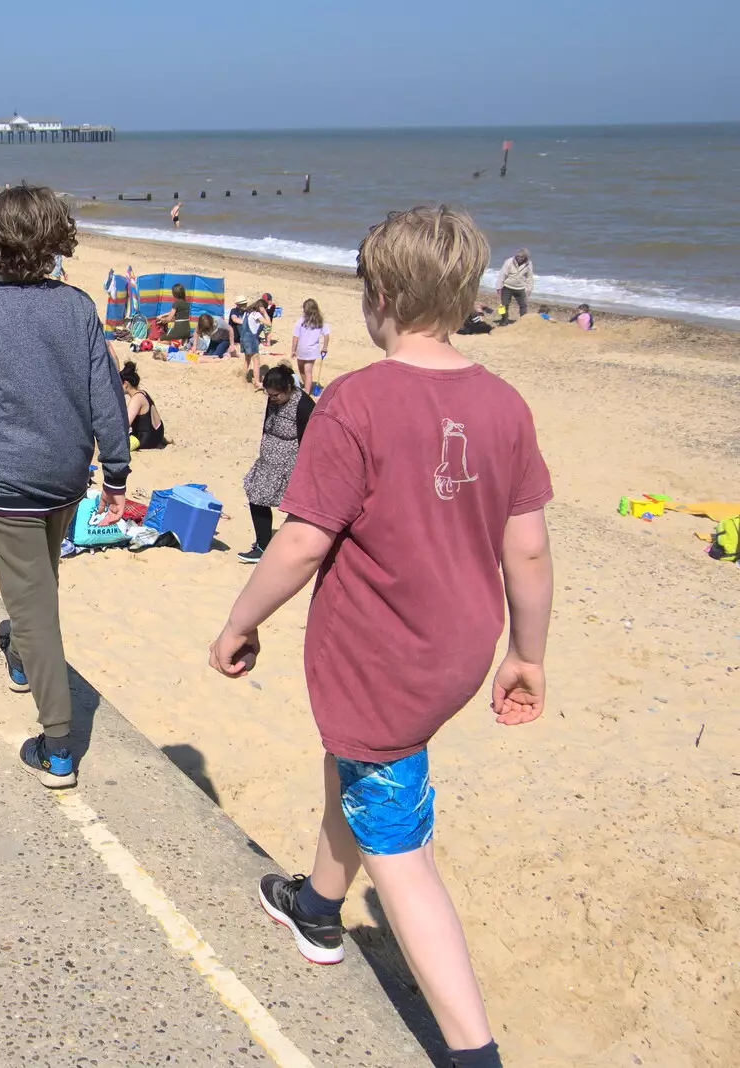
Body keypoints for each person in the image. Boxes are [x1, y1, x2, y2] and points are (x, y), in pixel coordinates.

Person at [209, 206, 553, 1068]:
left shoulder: (357, 401)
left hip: (382, 655)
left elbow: (301, 540)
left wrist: (240, 621)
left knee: (401, 851)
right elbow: (530, 546)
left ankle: (474, 1052)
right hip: (458, 648)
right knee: (360, 763)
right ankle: (320, 906)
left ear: (381, 297)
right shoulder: (503, 404)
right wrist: (528, 651)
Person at [0, 184, 130, 790]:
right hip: (65, 475)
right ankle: (18, 651)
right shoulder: (78, 307)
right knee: (38, 582)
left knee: (35, 602)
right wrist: (115, 470)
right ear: (55, 237)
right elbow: (105, 397)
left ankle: (57, 744)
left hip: (8, 479)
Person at [236, 364, 314, 563]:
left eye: (276, 395)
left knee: (292, 506)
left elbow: (311, 438)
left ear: (288, 388)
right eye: (269, 395)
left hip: (288, 462)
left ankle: (290, 547)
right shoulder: (274, 400)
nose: (272, 399)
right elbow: (267, 424)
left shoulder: (303, 405)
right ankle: (263, 545)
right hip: (267, 460)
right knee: (255, 495)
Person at [120, 361, 166, 450]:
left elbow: (125, 424)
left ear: (125, 384)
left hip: (147, 440)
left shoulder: (136, 399)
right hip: (157, 435)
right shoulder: (143, 393)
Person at [290, 299, 331, 393]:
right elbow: (326, 335)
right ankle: (307, 390)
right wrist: (324, 347)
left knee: (302, 370)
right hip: (312, 350)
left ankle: (306, 388)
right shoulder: (320, 321)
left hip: (301, 349)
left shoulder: (300, 321)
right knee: (308, 371)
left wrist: (293, 349)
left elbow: (296, 337)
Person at [495, 248, 534, 324]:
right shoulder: (509, 261)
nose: (519, 258)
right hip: (507, 287)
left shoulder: (529, 264)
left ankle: (523, 321)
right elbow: (502, 274)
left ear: (525, 257)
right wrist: (498, 287)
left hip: (520, 288)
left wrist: (529, 289)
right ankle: (504, 319)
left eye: (521, 257)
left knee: (523, 305)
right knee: (503, 305)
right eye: (518, 257)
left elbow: (530, 277)